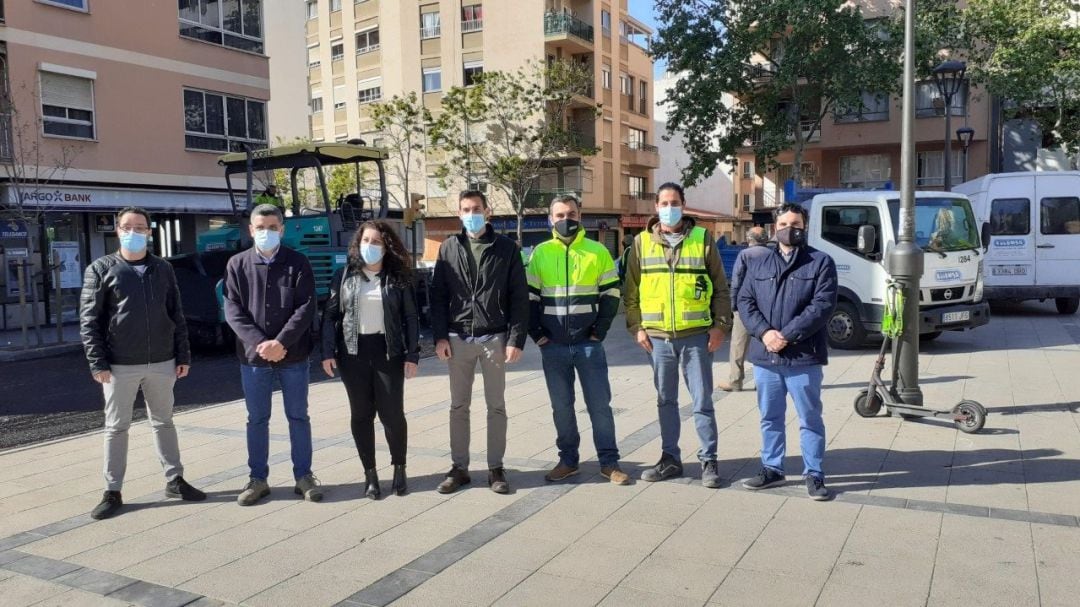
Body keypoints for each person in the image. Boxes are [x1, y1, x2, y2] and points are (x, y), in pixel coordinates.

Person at [80, 207, 205, 520]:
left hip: (162, 362)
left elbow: (176, 313)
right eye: (127, 227)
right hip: (119, 365)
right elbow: (89, 321)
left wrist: (183, 355)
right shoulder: (101, 268)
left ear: (150, 232)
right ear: (117, 230)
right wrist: (98, 363)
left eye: (140, 227)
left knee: (164, 421)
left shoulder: (162, 268)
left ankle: (174, 480)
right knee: (116, 428)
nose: (133, 232)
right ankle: (112, 490)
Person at [622, 183, 731, 488]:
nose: (669, 207)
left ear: (684, 205)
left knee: (702, 401)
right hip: (657, 340)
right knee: (665, 401)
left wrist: (720, 326)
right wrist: (637, 327)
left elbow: (720, 288)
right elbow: (630, 293)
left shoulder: (702, 239)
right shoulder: (641, 243)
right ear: (655, 207)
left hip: (696, 337)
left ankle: (709, 460)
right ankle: (670, 459)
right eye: (664, 202)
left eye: (675, 202)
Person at [430, 190, 529, 495]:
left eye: (476, 209)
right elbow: (437, 296)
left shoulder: (506, 249)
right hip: (458, 339)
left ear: (488, 212)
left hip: (494, 339)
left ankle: (495, 469)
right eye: (465, 209)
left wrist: (515, 339)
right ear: (459, 213)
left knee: (496, 406)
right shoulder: (448, 248)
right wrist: (439, 336)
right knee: (458, 406)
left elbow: (519, 297)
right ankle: (459, 468)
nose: (470, 214)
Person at [527, 194, 630, 486]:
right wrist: (538, 335)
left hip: (589, 344)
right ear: (550, 219)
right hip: (554, 346)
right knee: (561, 407)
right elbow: (530, 298)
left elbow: (611, 294)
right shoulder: (540, 254)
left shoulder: (597, 251)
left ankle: (609, 463)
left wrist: (600, 331)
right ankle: (568, 460)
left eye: (571, 214)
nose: (565, 220)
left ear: (579, 216)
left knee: (600, 406)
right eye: (559, 215)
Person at [224, 203, 322, 506]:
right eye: (260, 227)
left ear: (282, 229)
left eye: (272, 227)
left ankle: (304, 476)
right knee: (257, 419)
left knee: (298, 417)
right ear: (251, 230)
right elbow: (233, 311)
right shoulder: (237, 265)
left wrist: (281, 343)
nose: (266, 232)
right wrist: (261, 343)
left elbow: (306, 307)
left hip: (293, 357)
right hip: (253, 360)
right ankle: (258, 479)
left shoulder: (298, 262)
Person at [738, 203, 838, 501]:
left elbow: (822, 306)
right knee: (770, 416)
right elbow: (745, 301)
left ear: (804, 227)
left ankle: (814, 473)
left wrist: (787, 335)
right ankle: (772, 467)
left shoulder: (820, 262)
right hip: (766, 356)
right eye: (783, 223)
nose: (789, 228)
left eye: (796, 223)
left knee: (809, 418)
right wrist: (765, 333)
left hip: (803, 357)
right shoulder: (759, 262)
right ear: (774, 227)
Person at [321, 221, 419, 499]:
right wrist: (327, 352)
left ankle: (399, 469)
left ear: (387, 247)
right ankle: (370, 475)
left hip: (388, 351)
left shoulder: (397, 278)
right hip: (353, 353)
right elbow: (329, 316)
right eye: (366, 240)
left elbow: (411, 318)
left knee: (392, 415)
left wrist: (412, 355)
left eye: (376, 242)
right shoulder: (343, 276)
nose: (370, 246)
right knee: (361, 415)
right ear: (357, 243)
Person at [719, 227, 772, 392]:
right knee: (765, 342)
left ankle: (735, 381)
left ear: (750, 239)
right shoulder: (774, 255)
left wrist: (734, 304)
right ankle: (763, 381)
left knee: (738, 343)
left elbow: (736, 280)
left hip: (746, 306)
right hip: (767, 305)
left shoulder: (745, 255)